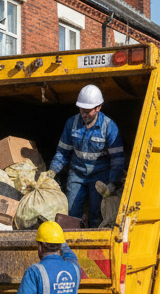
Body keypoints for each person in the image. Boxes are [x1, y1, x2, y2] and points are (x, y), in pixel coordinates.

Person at [49, 84, 125, 225]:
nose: (84, 114)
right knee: (71, 212)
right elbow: (62, 152)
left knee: (98, 214)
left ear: (98, 107)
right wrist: (52, 171)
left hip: (100, 175)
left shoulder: (109, 126)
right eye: (82, 110)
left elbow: (117, 159)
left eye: (88, 111)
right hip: (77, 174)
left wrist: (113, 182)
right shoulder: (71, 123)